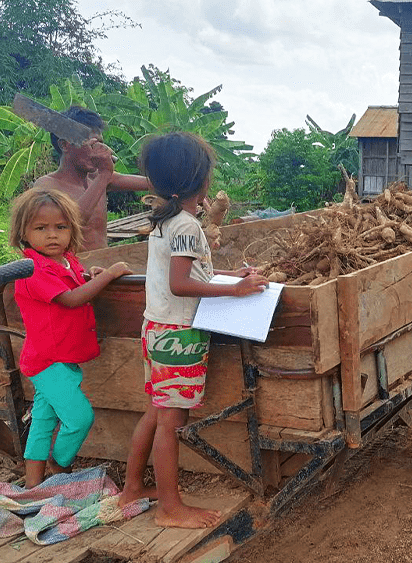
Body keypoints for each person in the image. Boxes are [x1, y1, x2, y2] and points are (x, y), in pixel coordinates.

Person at [117, 132, 269, 528]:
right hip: (178, 335)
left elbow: (187, 271)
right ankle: (171, 509)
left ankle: (132, 488)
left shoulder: (167, 221)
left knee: (155, 413)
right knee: (171, 422)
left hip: (158, 328)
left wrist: (227, 274)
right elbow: (180, 284)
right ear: (200, 182)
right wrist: (235, 290)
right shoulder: (186, 226)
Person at [9, 188, 132, 488]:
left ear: (72, 230)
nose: (52, 235)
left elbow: (76, 284)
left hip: (60, 356)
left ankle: (33, 486)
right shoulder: (30, 269)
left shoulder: (67, 261)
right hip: (47, 360)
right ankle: (59, 465)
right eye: (41, 228)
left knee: (42, 421)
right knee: (79, 418)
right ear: (23, 233)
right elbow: (71, 300)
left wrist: (92, 275)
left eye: (60, 227)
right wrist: (110, 274)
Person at [32, 106, 151, 251]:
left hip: (103, 267)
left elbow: (151, 183)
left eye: (100, 143)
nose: (99, 149)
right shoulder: (47, 186)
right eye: (93, 144)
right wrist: (104, 175)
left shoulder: (98, 178)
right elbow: (72, 224)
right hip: (72, 271)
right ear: (65, 145)